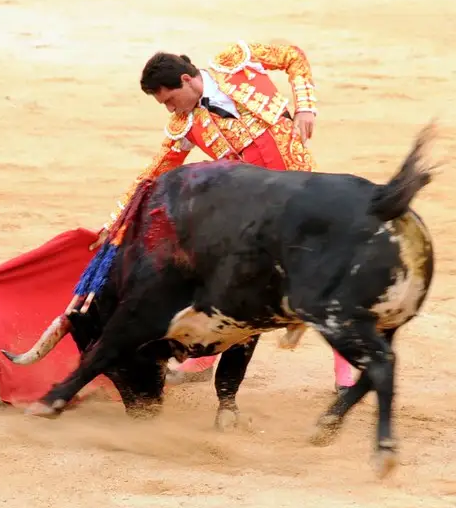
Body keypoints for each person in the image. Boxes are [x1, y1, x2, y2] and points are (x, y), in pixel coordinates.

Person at [92, 40, 356, 394]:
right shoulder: (184, 125)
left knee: (327, 275)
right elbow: (152, 175)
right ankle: (204, 359)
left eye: (169, 100)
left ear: (186, 80)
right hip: (257, 211)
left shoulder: (236, 62)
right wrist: (115, 223)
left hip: (305, 192)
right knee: (231, 284)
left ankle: (346, 368)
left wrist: (305, 107)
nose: (170, 109)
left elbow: (293, 56)